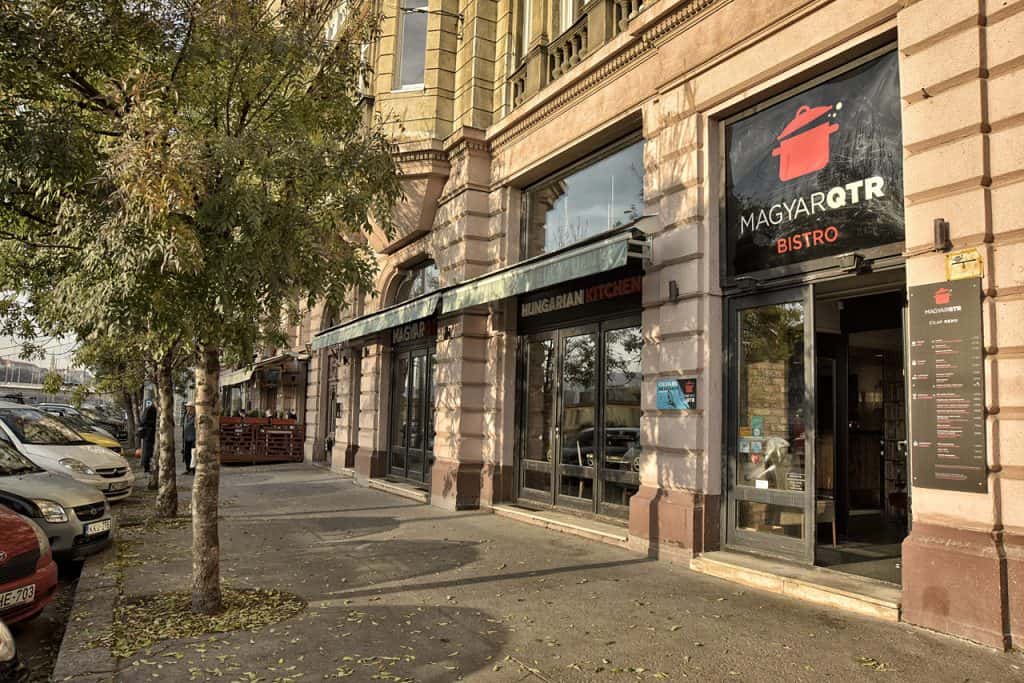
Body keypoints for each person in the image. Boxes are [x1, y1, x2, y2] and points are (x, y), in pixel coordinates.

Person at [138, 400, 157, 473]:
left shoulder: (152, 409)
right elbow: (144, 421)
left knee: (150, 451)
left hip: (150, 433)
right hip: (148, 434)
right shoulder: (150, 409)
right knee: (148, 452)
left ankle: (149, 467)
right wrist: (156, 422)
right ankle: (147, 467)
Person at [182, 402, 196, 475]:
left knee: (193, 455)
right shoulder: (186, 416)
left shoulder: (195, 417)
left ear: (193, 408)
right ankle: (187, 469)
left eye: (189, 407)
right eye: (187, 407)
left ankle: (193, 470)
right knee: (186, 454)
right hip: (186, 438)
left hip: (193, 439)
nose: (187, 409)